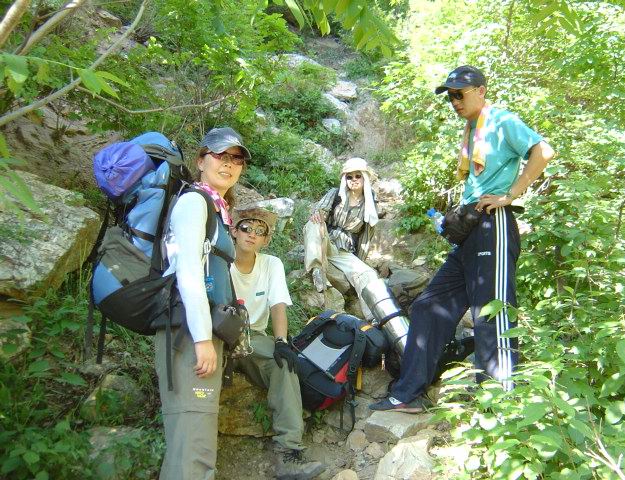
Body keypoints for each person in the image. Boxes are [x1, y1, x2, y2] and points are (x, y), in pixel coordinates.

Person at [370, 65, 555, 412]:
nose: (454, 101)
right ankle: (409, 393)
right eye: (450, 96)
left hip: (494, 226)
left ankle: (500, 405)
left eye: (460, 94)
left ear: (481, 91)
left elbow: (543, 152)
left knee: (492, 312)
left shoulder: (500, 120)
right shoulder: (473, 130)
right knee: (428, 306)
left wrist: (510, 195)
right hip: (472, 231)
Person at [154, 127, 249, 479]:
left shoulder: (216, 209)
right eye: (220, 155)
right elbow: (189, 273)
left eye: (236, 159)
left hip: (198, 330)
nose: (229, 164)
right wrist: (202, 338)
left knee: (191, 442)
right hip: (187, 332)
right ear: (200, 160)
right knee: (193, 447)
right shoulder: (195, 202)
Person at [229, 207, 326, 480]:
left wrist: (282, 341)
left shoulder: (271, 264)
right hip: (219, 334)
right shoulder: (220, 261)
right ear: (234, 231)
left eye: (260, 231)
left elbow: (278, 304)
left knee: (284, 363)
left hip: (253, 337)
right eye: (246, 228)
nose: (252, 234)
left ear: (266, 240)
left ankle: (288, 453)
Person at [304, 157, 380, 320]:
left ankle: (373, 318)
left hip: (344, 250)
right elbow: (320, 212)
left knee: (368, 274)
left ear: (365, 177)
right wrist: (318, 215)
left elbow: (366, 237)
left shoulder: (370, 203)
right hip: (324, 240)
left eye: (358, 176)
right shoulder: (335, 194)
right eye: (349, 176)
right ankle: (317, 270)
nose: (354, 180)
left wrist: (359, 262)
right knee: (313, 223)